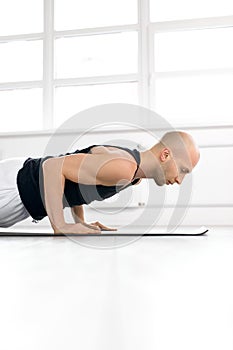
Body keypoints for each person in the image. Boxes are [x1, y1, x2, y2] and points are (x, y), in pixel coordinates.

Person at [0, 131, 200, 234]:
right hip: (11, 187)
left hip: (19, 197)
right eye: (183, 170)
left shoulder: (134, 175)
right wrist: (60, 225)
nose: (180, 180)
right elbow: (53, 167)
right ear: (165, 155)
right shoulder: (123, 167)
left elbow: (74, 180)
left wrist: (79, 223)